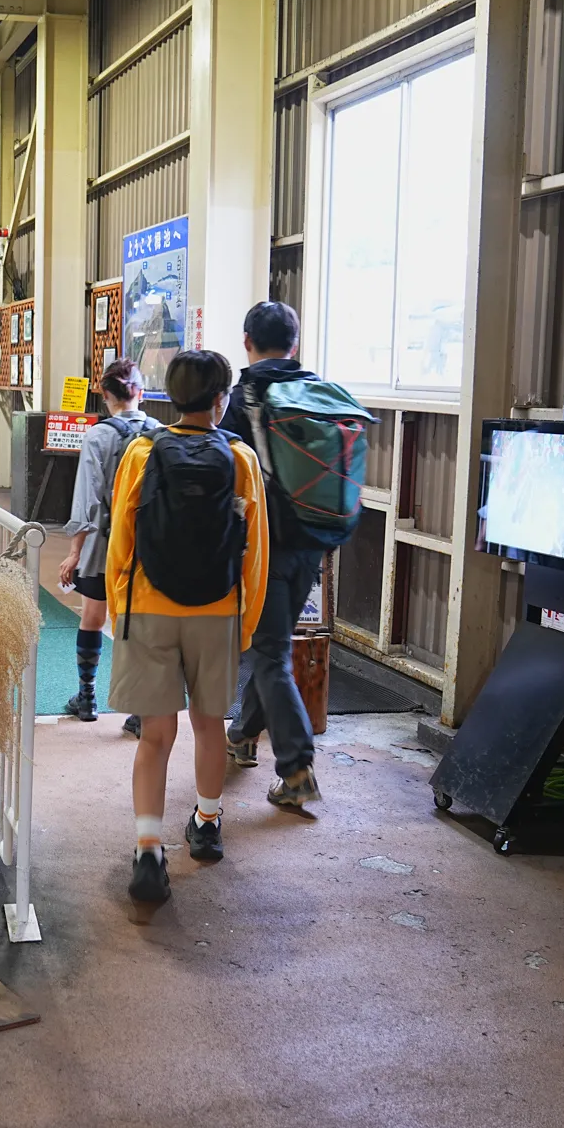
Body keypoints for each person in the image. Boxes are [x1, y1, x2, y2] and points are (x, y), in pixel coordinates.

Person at [106, 350, 265, 904]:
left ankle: (149, 851)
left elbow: (121, 541)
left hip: (149, 607)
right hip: (217, 611)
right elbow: (255, 556)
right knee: (207, 727)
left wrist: (121, 610)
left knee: (155, 736)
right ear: (220, 400)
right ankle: (207, 825)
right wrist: (242, 627)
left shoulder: (142, 451)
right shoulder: (240, 458)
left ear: (169, 397)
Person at [219, 301, 325, 807]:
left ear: (246, 342)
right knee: (272, 647)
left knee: (270, 653)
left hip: (266, 545)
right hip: (315, 539)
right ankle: (242, 736)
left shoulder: (245, 396)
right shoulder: (316, 390)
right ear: (295, 343)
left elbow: (229, 472)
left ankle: (297, 768)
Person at [56, 358, 159, 734]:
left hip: (104, 546)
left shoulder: (98, 436)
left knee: (93, 618)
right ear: (140, 393)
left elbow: (87, 501)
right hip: (149, 549)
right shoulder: (160, 432)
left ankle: (87, 698)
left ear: (104, 394)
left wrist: (74, 552)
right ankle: (141, 710)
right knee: (142, 626)